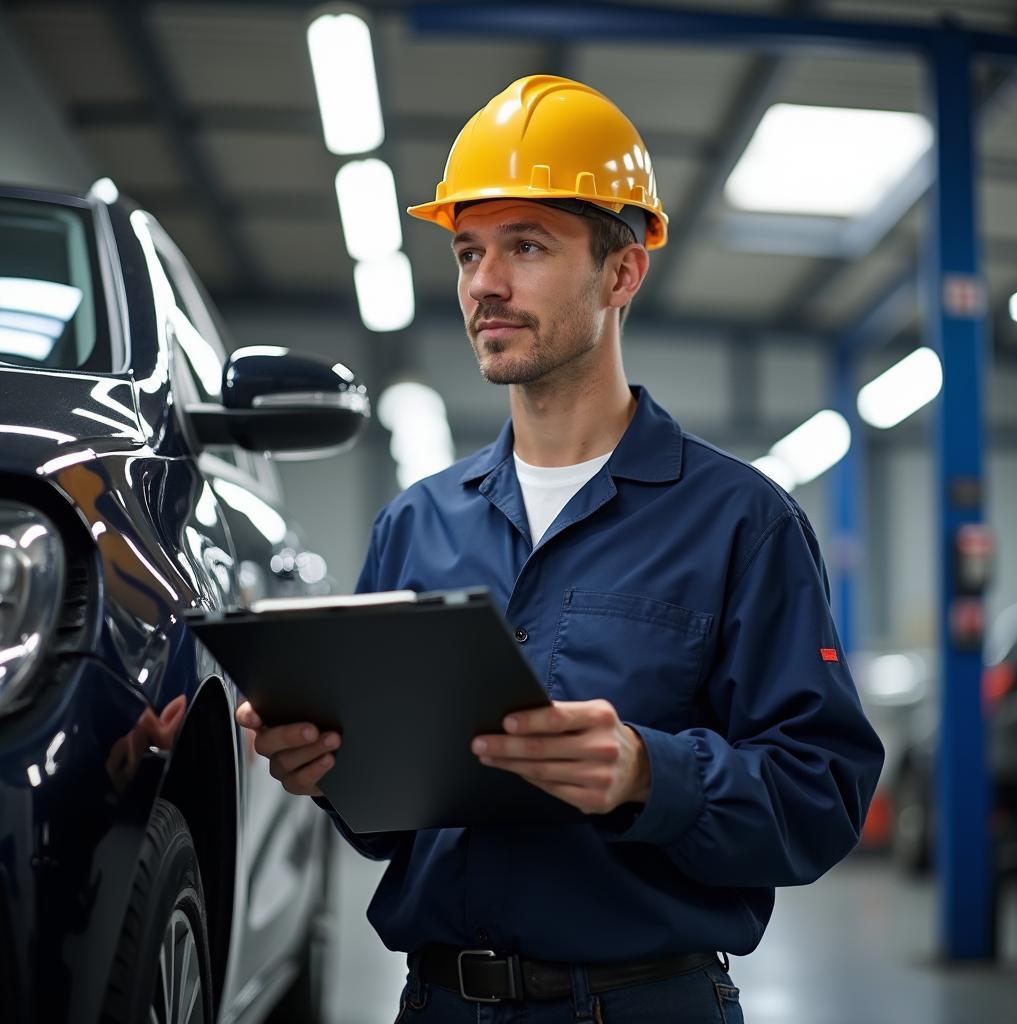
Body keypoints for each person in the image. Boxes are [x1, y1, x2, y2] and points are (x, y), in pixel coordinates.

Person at [236, 75, 884, 1022]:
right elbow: (387, 831)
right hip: (440, 1003)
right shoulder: (416, 525)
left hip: (643, 1004)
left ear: (622, 274)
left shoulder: (742, 522)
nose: (483, 284)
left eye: (526, 246)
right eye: (468, 251)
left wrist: (645, 773)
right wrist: (328, 771)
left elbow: (820, 799)